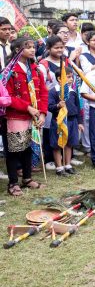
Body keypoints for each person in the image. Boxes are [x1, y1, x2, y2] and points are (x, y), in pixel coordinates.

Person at [3, 37, 48, 196]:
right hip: (16, 116)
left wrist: (42, 112)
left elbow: (43, 92)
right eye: (28, 47)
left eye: (33, 47)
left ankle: (27, 178)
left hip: (34, 116)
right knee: (14, 150)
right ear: (17, 50)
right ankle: (13, 183)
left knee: (28, 148)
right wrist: (27, 107)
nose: (33, 50)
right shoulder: (10, 71)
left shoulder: (36, 69)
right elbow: (7, 97)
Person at [47, 67, 83, 176]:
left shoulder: (73, 92)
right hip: (59, 121)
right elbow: (49, 106)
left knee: (69, 143)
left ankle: (68, 165)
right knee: (57, 144)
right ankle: (59, 167)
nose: (71, 79)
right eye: (68, 77)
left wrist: (79, 122)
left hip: (72, 121)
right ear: (59, 78)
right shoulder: (54, 91)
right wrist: (58, 105)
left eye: (72, 77)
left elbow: (78, 108)